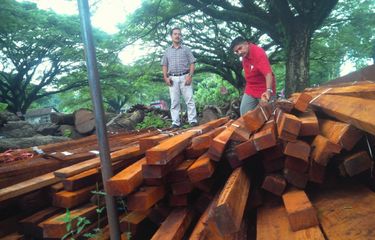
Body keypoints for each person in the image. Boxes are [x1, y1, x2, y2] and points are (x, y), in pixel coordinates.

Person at [161, 27, 198, 128]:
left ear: (181, 36)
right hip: (172, 79)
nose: (177, 36)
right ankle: (175, 122)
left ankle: (193, 121)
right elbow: (164, 65)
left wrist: (190, 76)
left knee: (189, 100)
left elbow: (192, 63)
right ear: (171, 36)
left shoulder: (186, 49)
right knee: (174, 101)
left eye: (179, 34)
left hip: (185, 76)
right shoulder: (167, 51)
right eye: (175, 34)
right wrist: (165, 78)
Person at [230, 36, 276, 115]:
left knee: (269, 116)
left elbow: (268, 74)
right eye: (236, 51)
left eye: (240, 48)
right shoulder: (244, 55)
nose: (239, 52)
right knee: (244, 113)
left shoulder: (258, 53)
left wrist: (268, 91)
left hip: (264, 87)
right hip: (251, 87)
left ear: (246, 44)